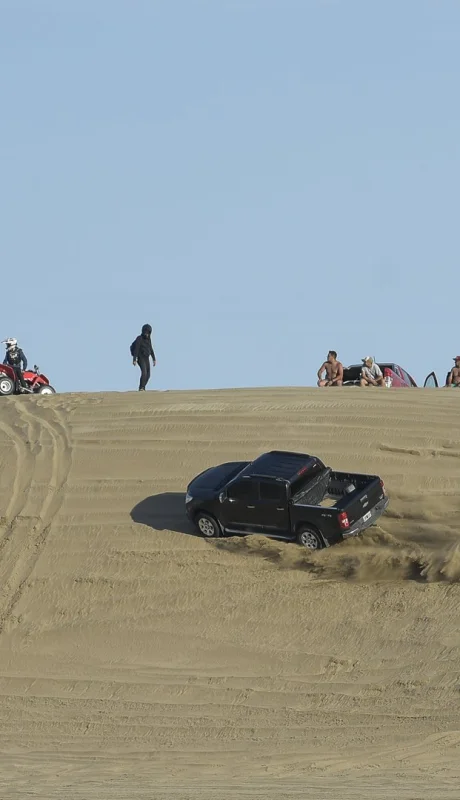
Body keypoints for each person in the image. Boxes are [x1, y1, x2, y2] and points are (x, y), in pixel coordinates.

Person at [132, 324, 156, 391]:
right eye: (145, 332)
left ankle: (143, 387)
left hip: (146, 357)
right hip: (140, 357)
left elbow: (151, 349)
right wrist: (134, 359)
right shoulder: (139, 338)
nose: (146, 334)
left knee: (148, 374)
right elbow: (136, 349)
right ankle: (141, 387)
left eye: (148, 333)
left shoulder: (149, 339)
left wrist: (154, 359)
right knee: (144, 372)